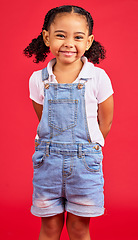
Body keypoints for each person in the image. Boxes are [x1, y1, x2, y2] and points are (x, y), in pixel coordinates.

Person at [24, 5, 114, 240]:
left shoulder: (97, 77)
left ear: (89, 41)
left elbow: (106, 120)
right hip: (48, 162)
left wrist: (88, 147)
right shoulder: (37, 79)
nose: (69, 43)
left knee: (78, 228)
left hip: (85, 165)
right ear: (47, 37)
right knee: (51, 228)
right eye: (60, 35)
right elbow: (43, 117)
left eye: (78, 37)